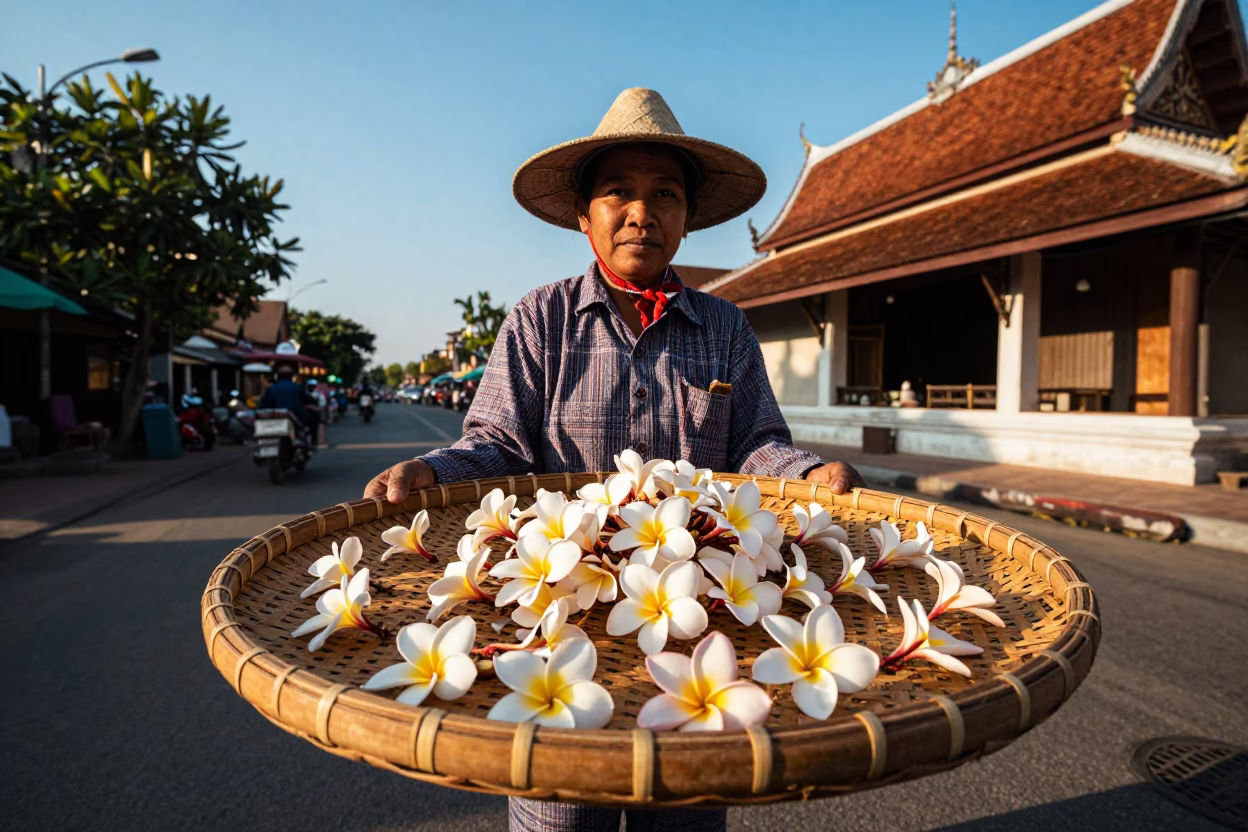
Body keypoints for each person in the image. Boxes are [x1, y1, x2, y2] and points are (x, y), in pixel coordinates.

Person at [363, 88, 864, 832]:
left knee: (686, 812)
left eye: (664, 194)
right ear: (583, 215)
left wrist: (804, 473)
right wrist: (435, 470)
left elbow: (756, 443)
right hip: (562, 623)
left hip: (691, 627)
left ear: (688, 217)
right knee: (561, 814)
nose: (642, 211)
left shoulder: (723, 326)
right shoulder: (540, 320)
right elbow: (496, 443)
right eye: (618, 193)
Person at [259, 365, 318, 443]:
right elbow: (307, 400)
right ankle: (312, 441)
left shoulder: (271, 389)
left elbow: (264, 405)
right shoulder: (298, 388)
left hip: (276, 419)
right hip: (296, 417)